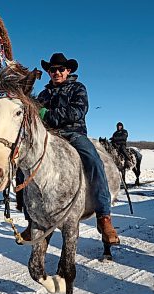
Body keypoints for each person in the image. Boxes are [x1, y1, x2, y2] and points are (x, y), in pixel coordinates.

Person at [36, 52, 119, 245]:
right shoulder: (43, 94)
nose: (56, 72)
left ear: (68, 70)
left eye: (60, 69)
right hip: (49, 137)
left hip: (74, 134)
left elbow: (76, 112)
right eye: (52, 70)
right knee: (26, 161)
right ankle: (31, 216)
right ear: (48, 72)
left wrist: (46, 114)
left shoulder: (78, 88)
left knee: (94, 161)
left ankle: (104, 216)